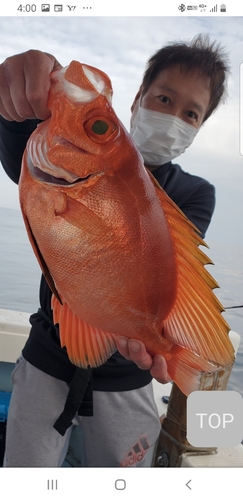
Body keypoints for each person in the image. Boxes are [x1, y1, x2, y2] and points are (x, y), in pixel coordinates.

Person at [0, 34, 229, 467]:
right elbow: (20, 148)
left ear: (199, 127)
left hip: (130, 378)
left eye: (191, 113)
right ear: (138, 97)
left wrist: (162, 340)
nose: (173, 117)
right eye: (163, 98)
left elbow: (164, 271)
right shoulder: (52, 156)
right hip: (47, 357)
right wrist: (19, 100)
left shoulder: (196, 193)